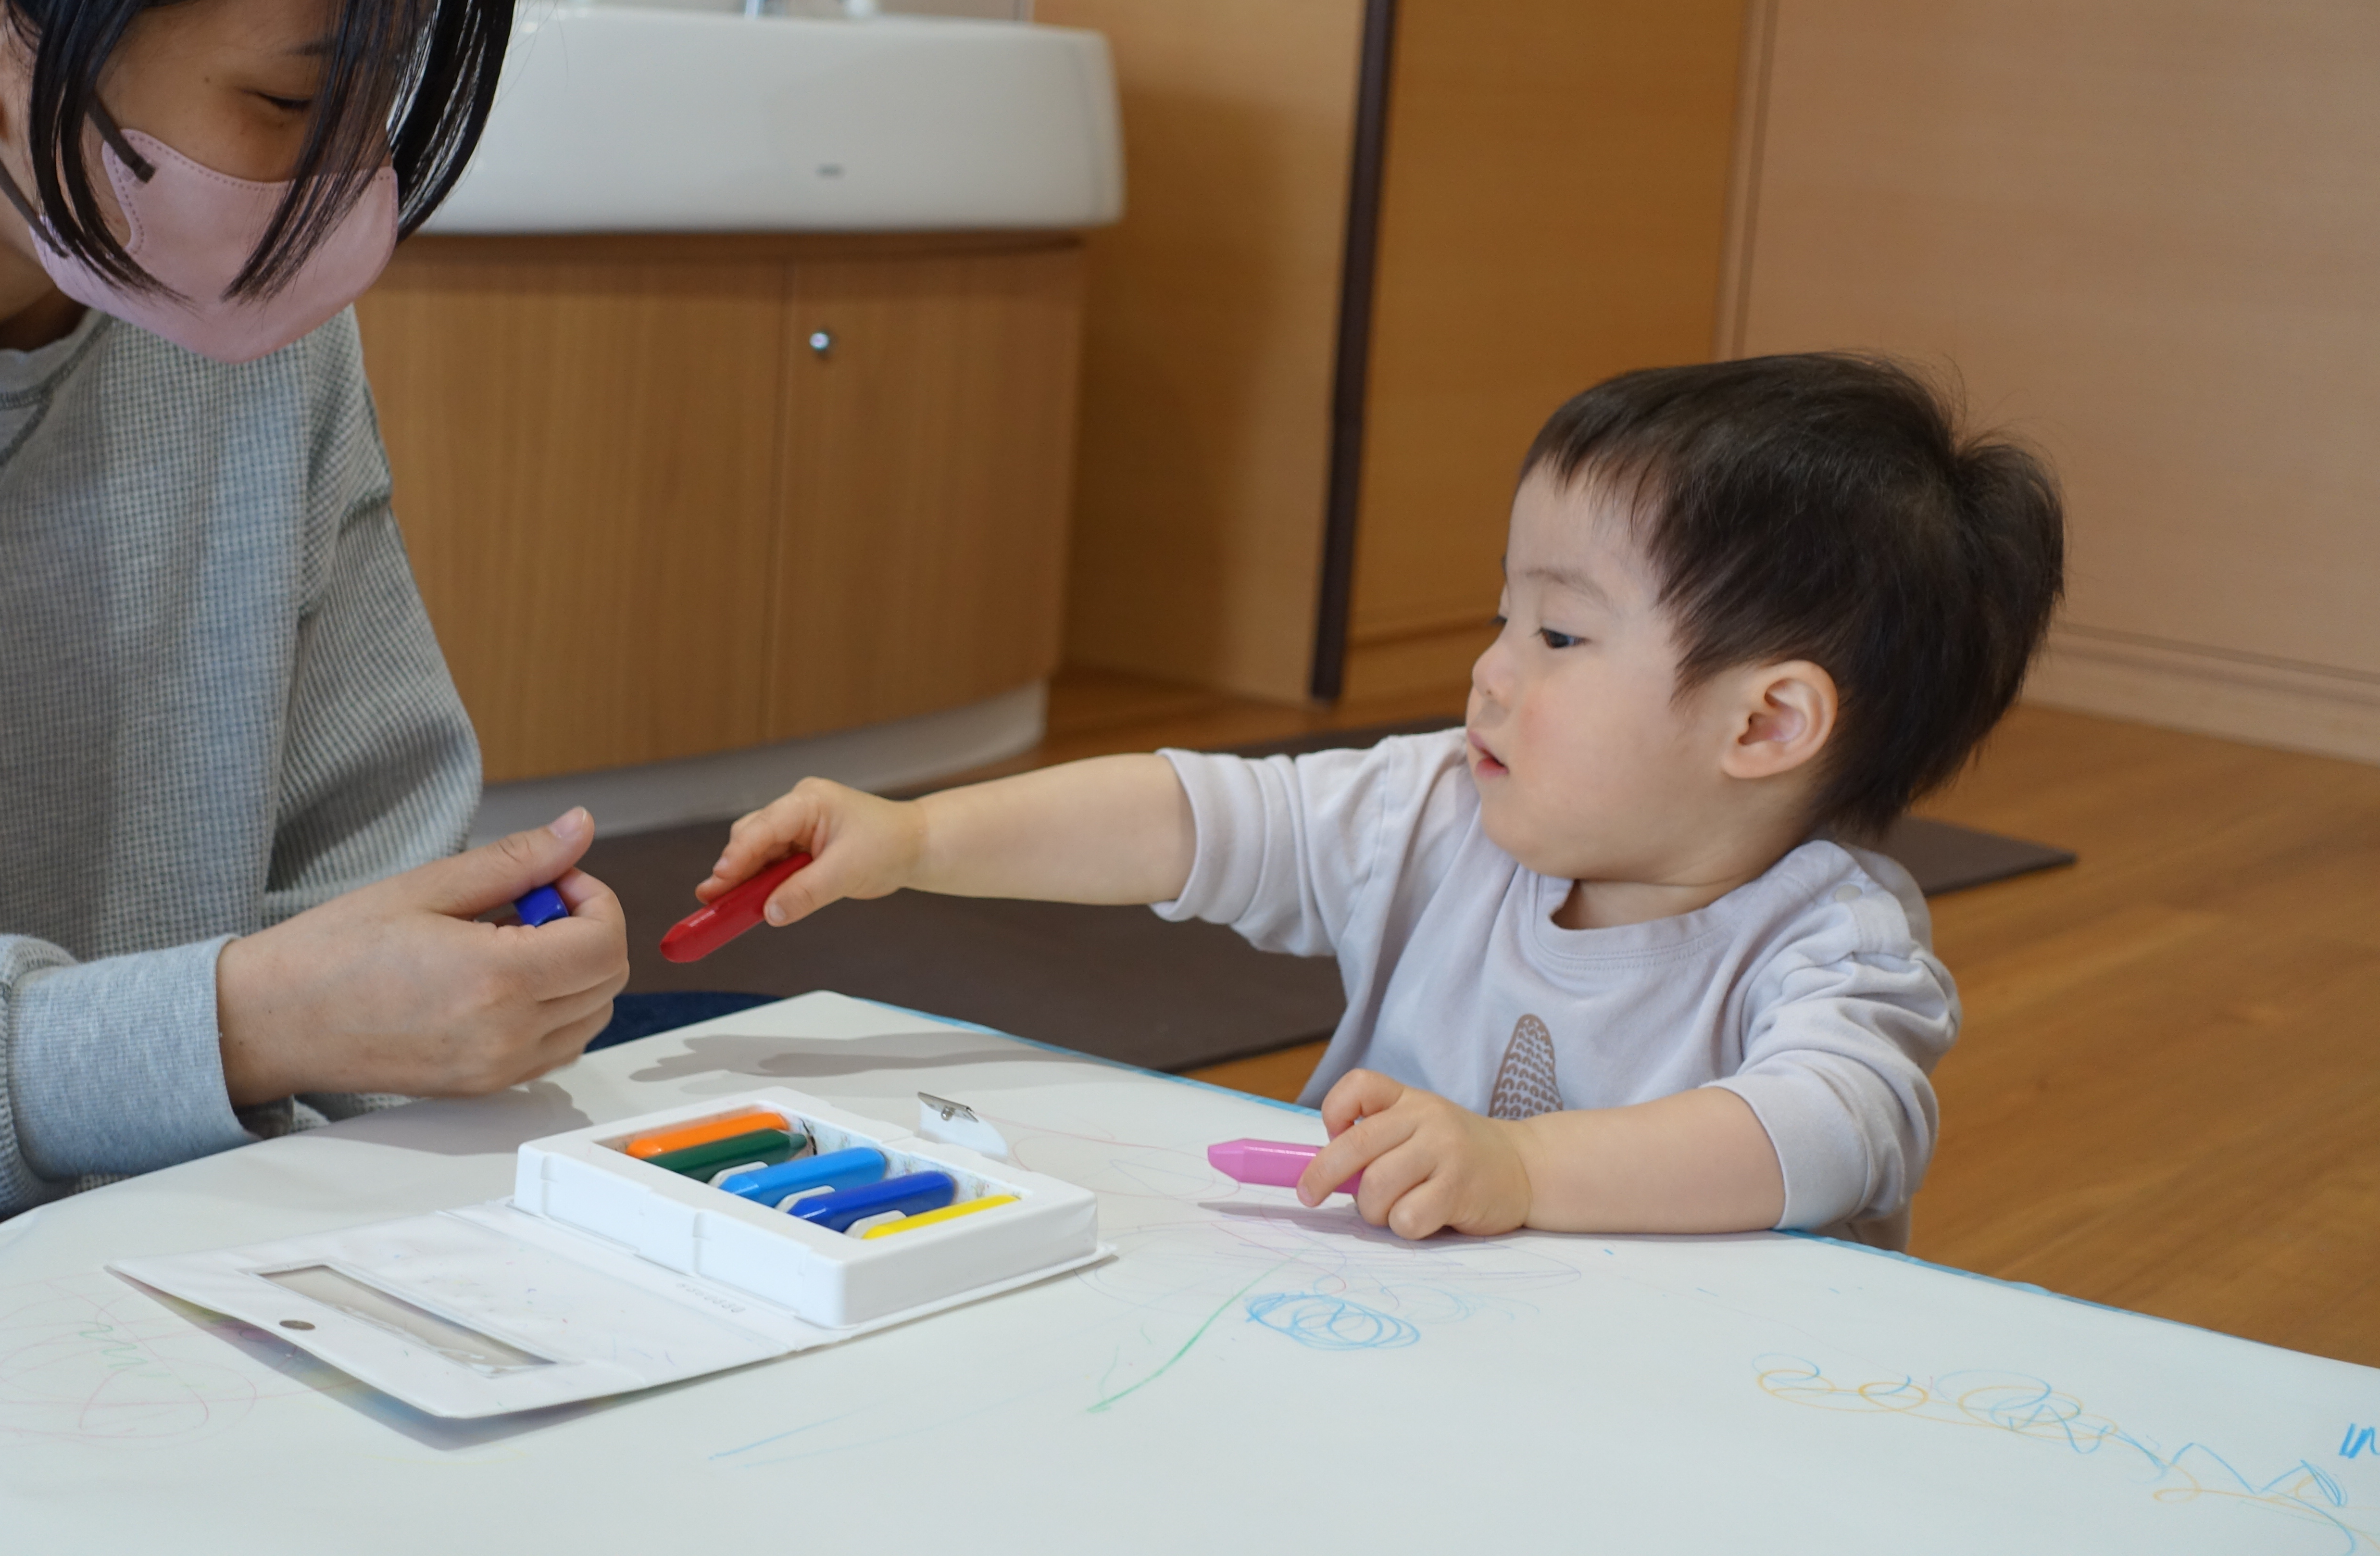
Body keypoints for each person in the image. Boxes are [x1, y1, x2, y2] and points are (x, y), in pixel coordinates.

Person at [0, 0, 747, 1298]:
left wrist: (469, 973)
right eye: (292, 100)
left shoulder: (231, 315)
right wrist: (236, 1027)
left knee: (765, 1067)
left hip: (210, 1122)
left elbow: (368, 848)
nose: (348, 182)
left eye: (379, 96)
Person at [696, 354, 2066, 1248]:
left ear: (1764, 723)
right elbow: (1192, 821)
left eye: (1559, 636)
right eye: (1501, 617)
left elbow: (1827, 1132)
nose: (1489, 672)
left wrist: (1522, 1171)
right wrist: (920, 837)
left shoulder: (1832, 944)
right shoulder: (1442, 811)